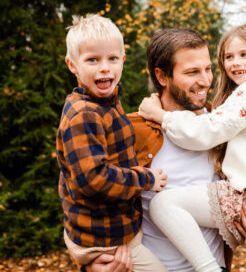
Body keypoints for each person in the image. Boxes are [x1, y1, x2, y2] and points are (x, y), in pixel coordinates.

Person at [138, 23, 246, 272]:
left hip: (242, 209)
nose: (205, 80)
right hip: (152, 266)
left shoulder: (224, 116)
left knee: (163, 204)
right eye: (228, 57)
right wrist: (94, 253)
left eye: (208, 69)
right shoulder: (134, 130)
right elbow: (97, 188)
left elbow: (205, 132)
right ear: (162, 76)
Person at [56, 14, 167, 272]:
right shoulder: (84, 114)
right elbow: (93, 179)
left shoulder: (107, 102)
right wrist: (146, 179)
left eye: (112, 58)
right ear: (72, 65)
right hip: (102, 239)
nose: (104, 67)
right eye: (92, 60)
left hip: (115, 229)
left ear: (123, 61)